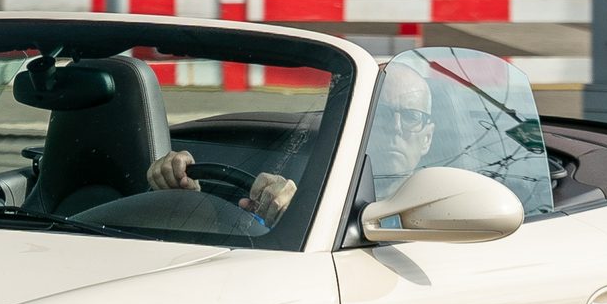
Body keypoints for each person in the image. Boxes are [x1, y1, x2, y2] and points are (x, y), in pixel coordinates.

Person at [142, 57, 436, 227]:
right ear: (362, 122)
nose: (396, 128)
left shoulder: (440, 207)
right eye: (384, 114)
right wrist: (180, 191)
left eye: (411, 116)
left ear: (428, 138)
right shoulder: (309, 192)